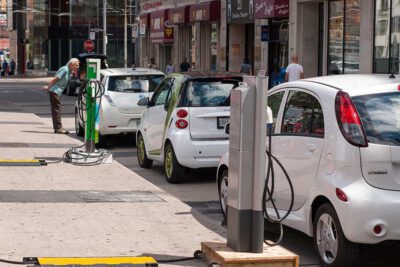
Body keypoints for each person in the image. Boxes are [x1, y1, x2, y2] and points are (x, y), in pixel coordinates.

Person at [42, 58, 80, 134]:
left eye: (78, 65)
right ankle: (58, 128)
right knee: (57, 110)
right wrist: (48, 87)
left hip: (56, 92)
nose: (77, 67)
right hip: (54, 91)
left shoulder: (69, 71)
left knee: (56, 110)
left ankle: (58, 128)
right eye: (76, 65)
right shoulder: (65, 69)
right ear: (71, 64)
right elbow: (55, 79)